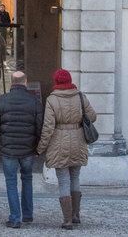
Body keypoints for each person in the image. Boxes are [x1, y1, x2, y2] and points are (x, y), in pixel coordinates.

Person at [37, 69, 97, 230]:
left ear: (56, 82)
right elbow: (93, 116)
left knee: (63, 180)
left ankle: (67, 219)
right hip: (78, 140)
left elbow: (48, 127)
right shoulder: (80, 96)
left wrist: (40, 148)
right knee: (75, 177)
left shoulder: (52, 99)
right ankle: (76, 215)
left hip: (59, 142)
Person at [0, 71, 43, 229]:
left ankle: (15, 217)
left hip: (8, 148)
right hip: (28, 149)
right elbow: (40, 127)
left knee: (11, 182)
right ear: (25, 83)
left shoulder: (2, 101)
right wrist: (38, 146)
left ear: (11, 83)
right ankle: (27, 214)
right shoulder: (35, 102)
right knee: (27, 179)